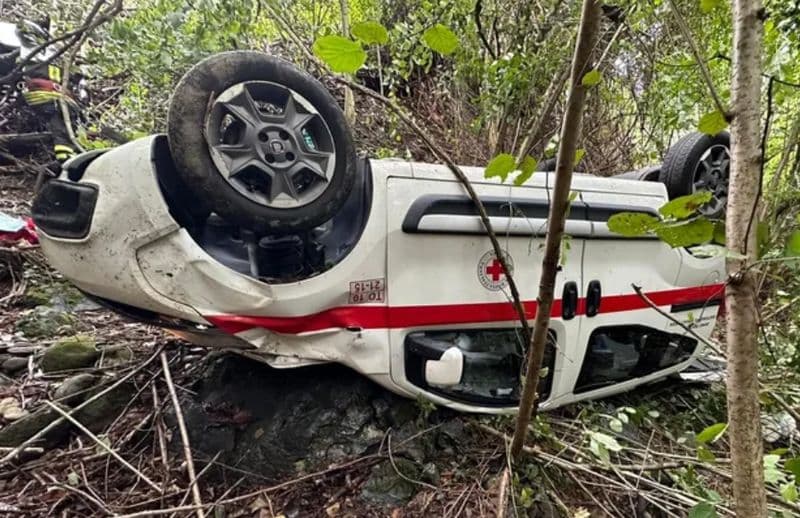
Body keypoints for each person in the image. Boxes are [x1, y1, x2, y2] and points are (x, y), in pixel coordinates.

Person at [0, 18, 78, 164]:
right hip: (63, 99)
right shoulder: (57, 54)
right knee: (63, 128)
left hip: (39, 95)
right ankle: (65, 154)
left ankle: (63, 156)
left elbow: (5, 63)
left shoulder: (27, 51)